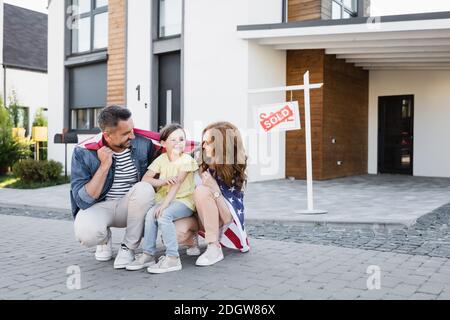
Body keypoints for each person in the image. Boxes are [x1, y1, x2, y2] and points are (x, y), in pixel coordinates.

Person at [70, 106, 197, 269]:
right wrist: (104, 166)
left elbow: (173, 148)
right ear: (107, 135)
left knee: (144, 188)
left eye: (132, 129)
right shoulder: (84, 151)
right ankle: (103, 238)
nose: (132, 135)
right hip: (100, 206)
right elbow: (82, 200)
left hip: (132, 206)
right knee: (87, 233)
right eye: (125, 133)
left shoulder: (143, 144)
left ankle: (128, 248)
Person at [126, 124, 200, 274]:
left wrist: (164, 205)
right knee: (149, 215)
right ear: (163, 143)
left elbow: (177, 185)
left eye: (181, 139)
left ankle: (173, 258)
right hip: (165, 199)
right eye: (173, 140)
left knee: (163, 215)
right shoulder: (161, 159)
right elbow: (146, 179)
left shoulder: (186, 160)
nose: (178, 143)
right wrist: (163, 181)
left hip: (183, 200)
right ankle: (148, 254)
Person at [194, 122, 250, 267]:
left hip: (221, 220)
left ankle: (214, 247)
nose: (203, 146)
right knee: (179, 232)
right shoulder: (202, 161)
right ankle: (189, 240)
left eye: (208, 143)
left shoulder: (233, 171)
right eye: (203, 142)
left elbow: (227, 218)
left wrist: (214, 188)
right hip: (202, 216)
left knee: (202, 190)